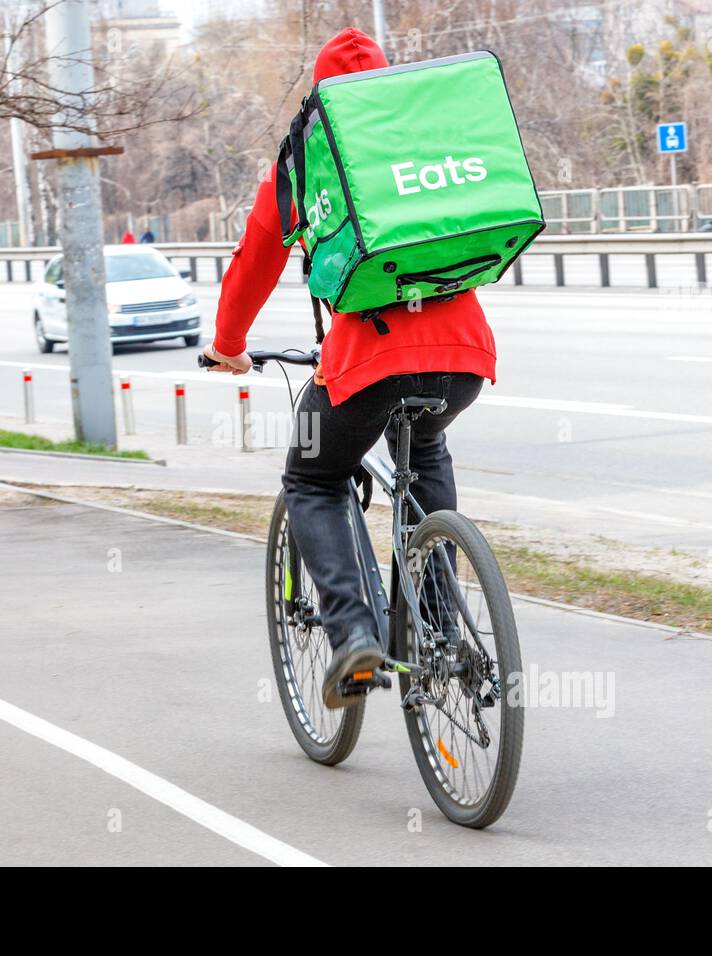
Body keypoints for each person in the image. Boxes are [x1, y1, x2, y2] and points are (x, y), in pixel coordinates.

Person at [202, 27, 498, 709]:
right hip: (464, 359)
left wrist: (229, 345)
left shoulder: (309, 155)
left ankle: (355, 635)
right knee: (427, 449)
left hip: (369, 362)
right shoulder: (422, 137)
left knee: (312, 476)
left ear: (319, 92)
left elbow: (255, 261)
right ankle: (438, 629)